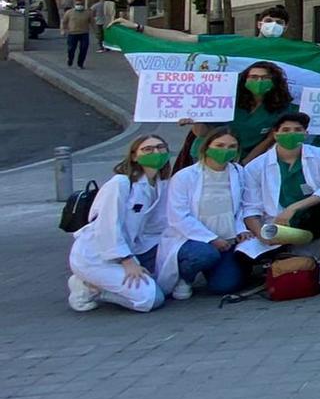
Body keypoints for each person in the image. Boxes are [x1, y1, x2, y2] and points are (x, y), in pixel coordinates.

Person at [66, 133, 174, 312]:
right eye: (148, 149)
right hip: (95, 257)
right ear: (134, 156)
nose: (156, 152)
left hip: (129, 250)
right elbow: (107, 226)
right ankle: (90, 288)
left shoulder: (160, 184)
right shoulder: (121, 183)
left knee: (164, 286)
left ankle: (94, 283)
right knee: (151, 299)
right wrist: (127, 261)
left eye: (160, 148)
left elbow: (156, 226)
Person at [159, 130, 261, 296]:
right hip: (192, 239)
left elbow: (244, 205)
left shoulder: (238, 172)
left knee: (224, 286)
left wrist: (241, 228)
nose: (225, 150)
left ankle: (217, 269)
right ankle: (186, 278)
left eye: (231, 146)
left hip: (228, 239)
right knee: (205, 254)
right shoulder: (185, 176)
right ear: (206, 147)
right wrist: (211, 239)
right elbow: (178, 216)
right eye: (219, 145)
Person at [244, 110, 320, 248]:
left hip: (311, 217)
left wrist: (293, 208)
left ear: (305, 134)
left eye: (297, 130)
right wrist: (261, 235)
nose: (291, 134)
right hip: (277, 224)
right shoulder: (255, 167)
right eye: (285, 130)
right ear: (275, 134)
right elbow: (251, 208)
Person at [228, 61, 297, 160]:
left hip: (252, 159)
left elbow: (270, 138)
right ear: (245, 80)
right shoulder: (228, 98)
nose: (259, 81)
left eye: (266, 78)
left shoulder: (282, 107)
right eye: (254, 77)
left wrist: (246, 164)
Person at [61, 0, 92, 67]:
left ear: (83, 5)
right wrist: (63, 30)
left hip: (84, 33)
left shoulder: (88, 13)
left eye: (81, 4)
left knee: (84, 48)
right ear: (74, 5)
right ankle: (70, 59)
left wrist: (97, 33)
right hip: (72, 33)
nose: (79, 6)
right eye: (77, 4)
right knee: (71, 48)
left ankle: (80, 63)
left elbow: (92, 23)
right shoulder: (69, 12)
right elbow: (64, 22)